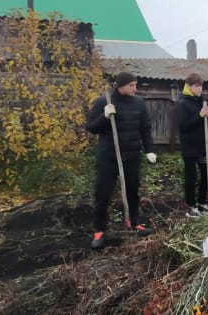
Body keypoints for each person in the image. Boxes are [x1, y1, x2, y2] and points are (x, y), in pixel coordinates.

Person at [86, 71, 157, 249]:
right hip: (109, 156)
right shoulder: (105, 101)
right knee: (102, 194)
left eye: (135, 84)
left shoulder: (139, 103)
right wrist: (105, 116)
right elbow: (91, 127)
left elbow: (145, 128)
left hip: (131, 155)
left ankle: (134, 222)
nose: (135, 88)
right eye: (131, 85)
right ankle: (99, 230)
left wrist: (149, 150)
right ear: (120, 86)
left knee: (133, 191)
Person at [176, 73, 208, 218]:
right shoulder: (182, 104)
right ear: (189, 86)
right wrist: (199, 115)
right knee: (191, 177)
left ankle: (202, 202)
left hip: (202, 146)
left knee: (205, 174)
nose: (200, 89)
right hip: (189, 147)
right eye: (197, 86)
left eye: (201, 86)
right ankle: (191, 206)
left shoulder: (201, 101)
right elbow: (183, 126)